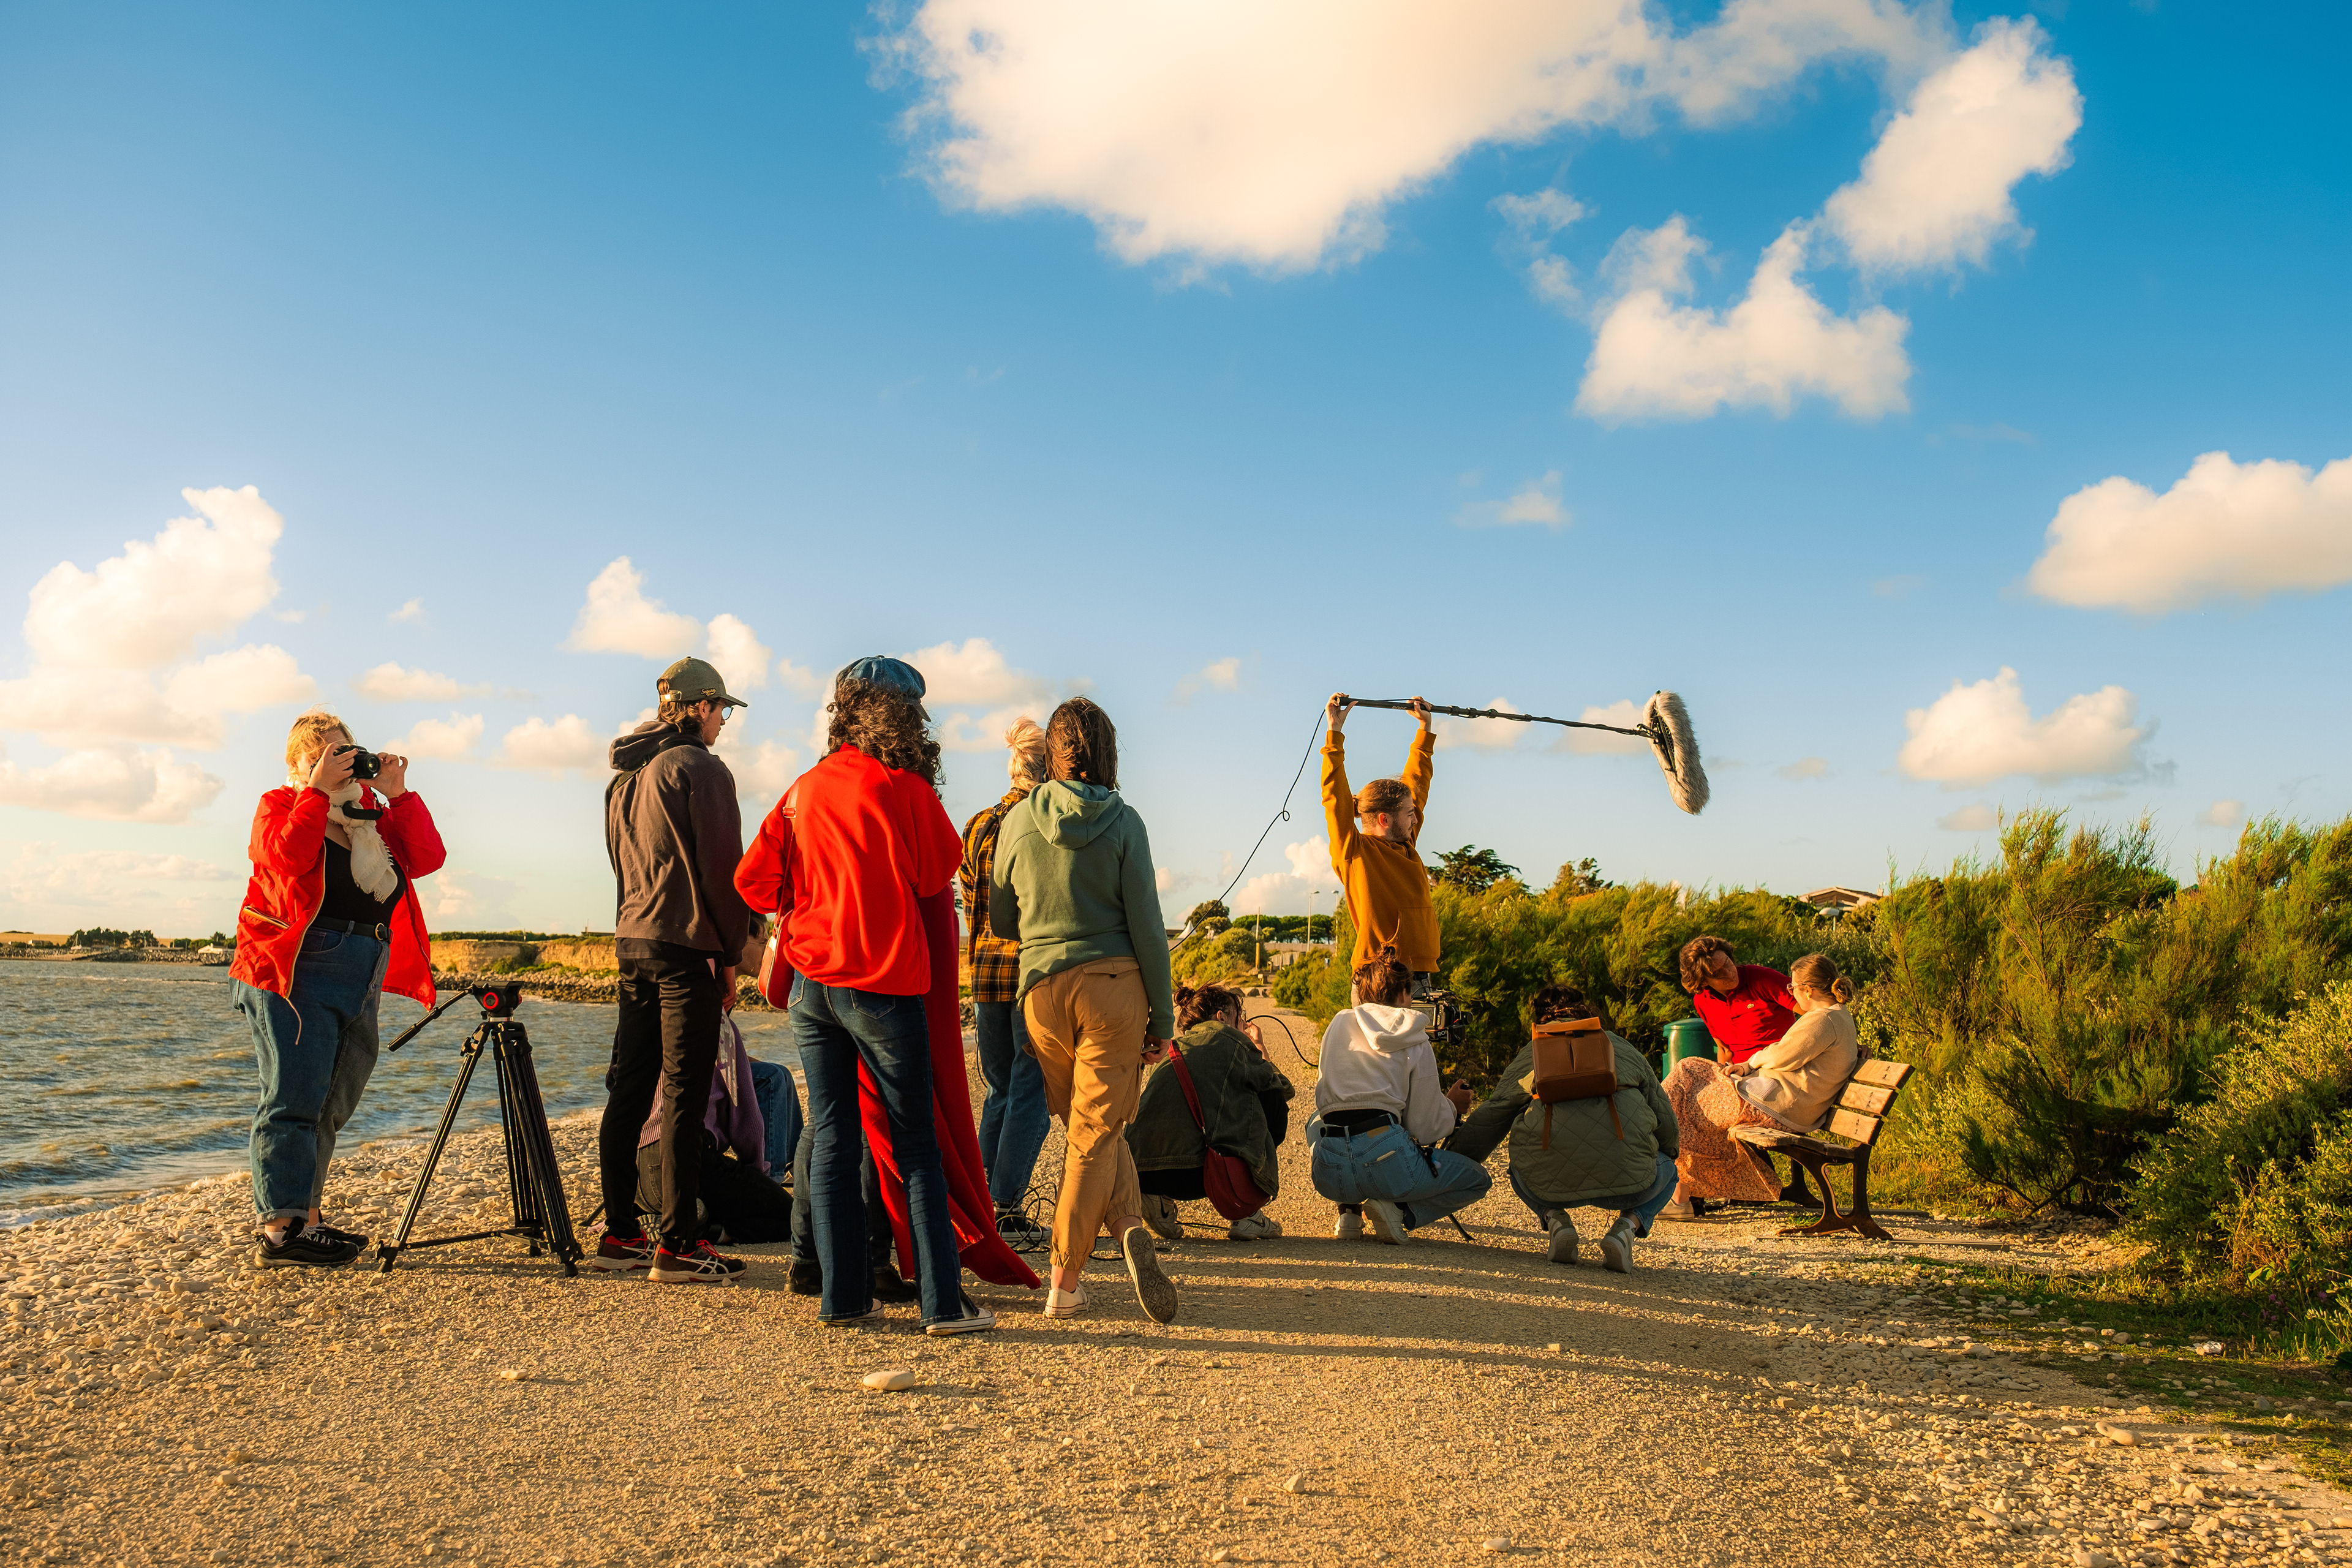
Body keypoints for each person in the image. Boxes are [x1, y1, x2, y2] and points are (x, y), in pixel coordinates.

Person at [750, 657, 996, 1334]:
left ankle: (844, 1298)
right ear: (907, 715)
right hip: (882, 986)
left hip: (811, 986)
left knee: (831, 1137)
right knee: (915, 1141)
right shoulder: (905, 789)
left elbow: (753, 881)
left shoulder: (801, 790)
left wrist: (808, 905)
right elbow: (934, 874)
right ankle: (944, 1305)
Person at [990, 696, 1181, 1322]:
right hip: (1113, 986)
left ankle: (1127, 1221)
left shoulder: (1016, 822)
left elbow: (1001, 918)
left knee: (1088, 1128)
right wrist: (1163, 1018)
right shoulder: (1125, 822)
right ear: (1108, 751)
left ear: (1052, 752)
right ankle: (1065, 1279)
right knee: (1095, 1133)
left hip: (1041, 990)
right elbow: (1150, 930)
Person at [230, 710, 443, 1268]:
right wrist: (317, 793)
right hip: (296, 967)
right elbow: (287, 858)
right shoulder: (282, 805)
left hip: (364, 960)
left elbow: (425, 859)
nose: (343, 763)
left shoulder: (364, 817)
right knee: (293, 1097)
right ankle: (282, 1228)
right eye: (329, 755)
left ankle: (307, 1217)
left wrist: (398, 797)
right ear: (302, 763)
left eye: (348, 752)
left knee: (331, 1100)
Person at [596, 655, 756, 1284]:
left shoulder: (624, 779)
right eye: (720, 709)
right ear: (696, 707)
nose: (723, 722)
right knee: (687, 1093)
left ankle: (619, 1234)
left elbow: (618, 866)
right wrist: (733, 951)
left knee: (631, 1088)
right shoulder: (700, 767)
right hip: (684, 944)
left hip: (631, 939)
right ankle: (680, 1243)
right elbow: (724, 871)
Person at [1444, 983, 1678, 1273]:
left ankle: (1556, 1221)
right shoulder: (1619, 1044)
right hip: (1630, 1184)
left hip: (1549, 1186)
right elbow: (1664, 1117)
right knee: (1669, 1170)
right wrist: (1667, 1153)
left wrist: (1453, 1157)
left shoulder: (1534, 1051)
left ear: (1540, 1018)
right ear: (1585, 1009)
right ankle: (1626, 1229)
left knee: (1518, 1166)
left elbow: (1495, 1113)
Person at [1321, 692, 1436, 1237]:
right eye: (1412, 815)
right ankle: (1349, 1206)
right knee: (1362, 1082)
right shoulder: (1356, 851)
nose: (1421, 819)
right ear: (1386, 820)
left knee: (1412, 1085)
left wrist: (1424, 734)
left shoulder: (1406, 847)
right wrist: (1336, 735)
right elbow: (1336, 802)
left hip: (1422, 976)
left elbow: (1419, 789)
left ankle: (1391, 1190)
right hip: (1375, 978)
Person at [1659, 953, 1863, 1218]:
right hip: (1781, 1100)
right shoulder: (1835, 1015)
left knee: (1683, 1100)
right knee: (1687, 1081)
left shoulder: (1822, 1020)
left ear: (1808, 990)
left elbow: (1783, 1054)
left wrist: (1747, 1065)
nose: (1791, 993)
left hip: (1778, 1106)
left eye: (1793, 987)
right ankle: (1681, 1196)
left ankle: (1677, 1194)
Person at [1309, 949, 1488, 1245]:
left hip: (1330, 1170)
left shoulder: (1338, 1024)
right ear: (1405, 993)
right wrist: (1452, 1107)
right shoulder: (1415, 1037)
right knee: (1477, 1179)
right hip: (1386, 1157)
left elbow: (1326, 1098)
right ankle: (1397, 1211)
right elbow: (1424, 1127)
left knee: (1317, 1119)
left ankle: (1349, 1213)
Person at [959, 715, 1053, 1247]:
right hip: (1028, 973)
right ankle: (1008, 1208)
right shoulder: (1042, 823)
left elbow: (970, 901)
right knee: (1031, 1090)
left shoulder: (976, 825)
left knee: (999, 1088)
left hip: (983, 976)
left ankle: (984, 1202)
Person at [1130, 982, 1294, 1243]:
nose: (1241, 1022)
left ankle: (1156, 1198)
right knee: (1272, 1102)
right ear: (1221, 1016)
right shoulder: (1230, 1039)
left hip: (1141, 1171)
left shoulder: (1172, 1047)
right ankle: (1246, 1213)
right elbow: (1281, 1087)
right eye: (1238, 1016)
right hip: (1199, 1172)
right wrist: (1258, 1047)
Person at [1678, 936, 1816, 1206]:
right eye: (1718, 973)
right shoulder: (1704, 1002)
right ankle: (1696, 1187)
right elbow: (1724, 1051)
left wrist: (1846, 1041)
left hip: (1775, 1077)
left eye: (1728, 963)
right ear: (1703, 981)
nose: (1730, 973)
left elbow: (1815, 1014)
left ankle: (1685, 1193)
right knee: (1684, 1092)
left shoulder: (1761, 979)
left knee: (1697, 1106)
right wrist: (1721, 1076)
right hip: (1738, 1078)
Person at [633, 1014, 791, 1245]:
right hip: (690, 1164)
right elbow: (748, 1124)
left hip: (641, 1172)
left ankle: (662, 1216)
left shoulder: (648, 1018)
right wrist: (757, 1175)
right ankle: (708, 1230)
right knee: (792, 1219)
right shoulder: (720, 1026)